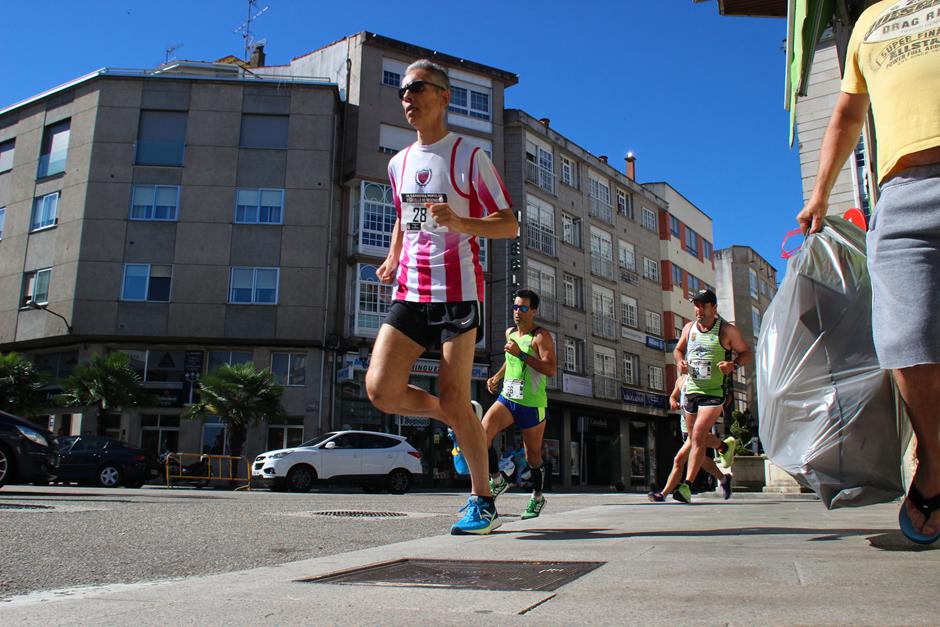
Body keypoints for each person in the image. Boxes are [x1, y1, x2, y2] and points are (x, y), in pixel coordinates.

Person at [797, 0, 940, 544]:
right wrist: (820, 194)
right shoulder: (870, 20)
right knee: (905, 339)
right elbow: (846, 115)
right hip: (903, 195)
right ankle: (934, 460)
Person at [365, 59, 517, 535]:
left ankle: (482, 500)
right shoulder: (398, 163)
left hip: (458, 292)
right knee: (381, 390)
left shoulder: (470, 156)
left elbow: (509, 224)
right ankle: (458, 414)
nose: (407, 97)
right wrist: (393, 256)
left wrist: (461, 222)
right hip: (411, 290)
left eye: (416, 87)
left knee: (452, 390)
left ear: (444, 96)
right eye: (402, 91)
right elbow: (402, 215)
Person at [667, 289, 751, 504]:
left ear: (714, 307)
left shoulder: (726, 331)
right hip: (692, 390)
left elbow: (747, 353)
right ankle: (723, 447)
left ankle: (686, 486)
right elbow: (678, 350)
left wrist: (733, 365)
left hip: (714, 393)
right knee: (695, 438)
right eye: (696, 305)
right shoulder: (689, 328)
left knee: (696, 436)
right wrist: (680, 361)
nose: (699, 310)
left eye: (703, 305)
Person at [482, 289, 557, 520]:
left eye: (523, 308)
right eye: (515, 307)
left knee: (532, 457)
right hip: (508, 398)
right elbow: (510, 359)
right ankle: (497, 480)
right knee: (482, 434)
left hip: (532, 405)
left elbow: (550, 369)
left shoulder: (540, 337)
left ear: (533, 311)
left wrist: (522, 354)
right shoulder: (510, 333)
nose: (517, 312)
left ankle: (537, 497)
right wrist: (497, 377)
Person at [648, 371, 735, 503]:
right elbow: (673, 396)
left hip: (696, 426)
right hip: (685, 428)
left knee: (679, 459)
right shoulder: (681, 380)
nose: (683, 364)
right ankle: (723, 474)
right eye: (681, 362)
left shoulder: (703, 379)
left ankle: (663, 494)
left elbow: (721, 395)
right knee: (702, 460)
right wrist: (673, 401)